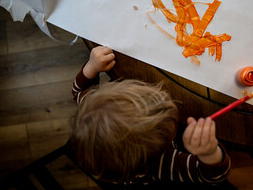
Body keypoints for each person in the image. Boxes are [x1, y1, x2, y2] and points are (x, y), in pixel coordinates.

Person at [69, 46, 231, 187]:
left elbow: (78, 91)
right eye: (170, 123)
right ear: (166, 141)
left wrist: (91, 67)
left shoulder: (91, 106)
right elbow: (211, 177)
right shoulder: (161, 163)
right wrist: (209, 153)